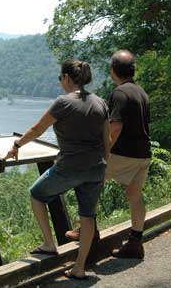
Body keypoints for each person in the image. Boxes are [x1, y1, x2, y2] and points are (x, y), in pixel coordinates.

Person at [4, 59, 110, 279]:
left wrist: (17, 145)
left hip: (69, 168)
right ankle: (79, 267)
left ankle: (49, 243)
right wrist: (104, 167)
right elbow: (106, 140)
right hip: (96, 167)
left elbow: (37, 129)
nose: (60, 81)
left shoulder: (63, 102)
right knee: (88, 216)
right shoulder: (100, 103)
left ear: (66, 78)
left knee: (36, 194)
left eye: (60, 77)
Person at [65, 50, 151, 259]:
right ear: (133, 70)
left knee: (87, 182)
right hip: (143, 154)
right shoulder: (141, 93)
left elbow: (115, 127)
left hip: (123, 154)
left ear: (113, 71)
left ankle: (89, 231)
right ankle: (135, 242)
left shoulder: (120, 93)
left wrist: (102, 152)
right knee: (135, 195)